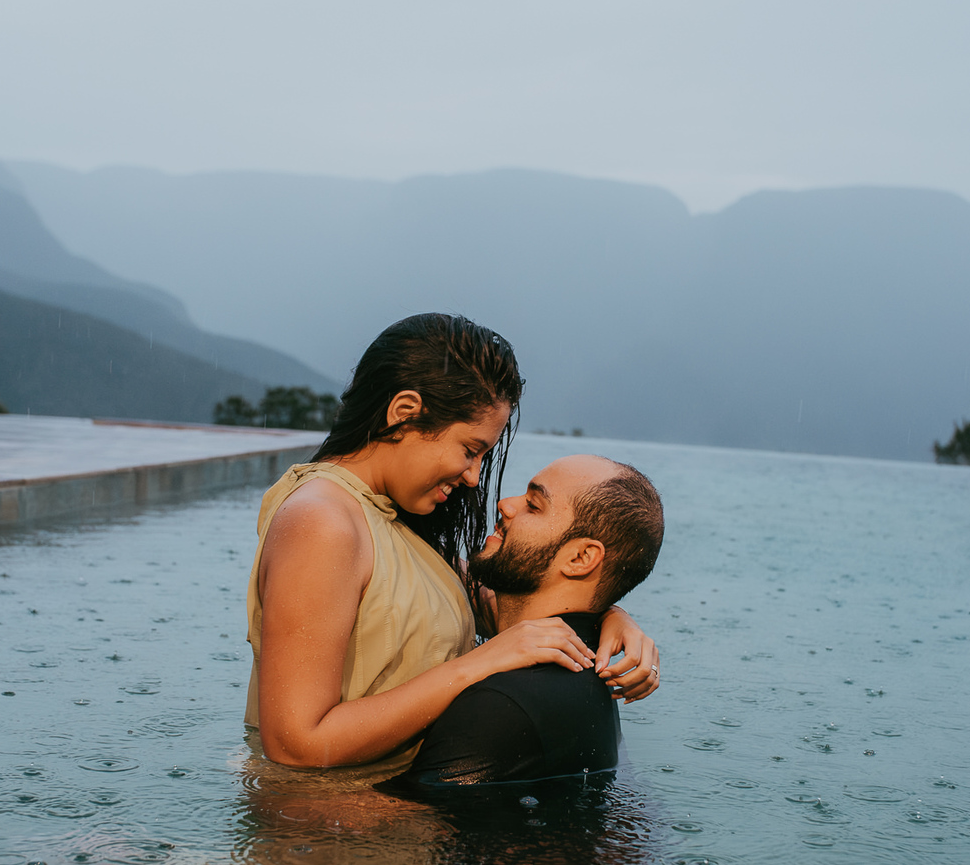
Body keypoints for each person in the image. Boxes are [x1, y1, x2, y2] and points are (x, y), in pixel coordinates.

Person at [245, 313, 661, 771]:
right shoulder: (322, 523)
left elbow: (490, 606)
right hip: (330, 834)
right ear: (404, 413)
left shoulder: (389, 522)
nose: (473, 477)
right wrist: (478, 664)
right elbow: (295, 744)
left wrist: (607, 616)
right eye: (469, 449)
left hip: (395, 820)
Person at [399, 454, 664, 788]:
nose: (505, 505)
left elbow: (384, 823)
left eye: (533, 505)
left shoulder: (500, 704)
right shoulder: (578, 670)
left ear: (581, 557)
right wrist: (610, 612)